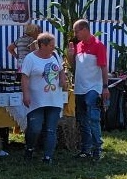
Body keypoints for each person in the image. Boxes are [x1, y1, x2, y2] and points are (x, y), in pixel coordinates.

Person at [20, 32, 68, 164]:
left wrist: (63, 79)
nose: (54, 48)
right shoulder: (30, 58)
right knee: (35, 128)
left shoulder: (55, 55)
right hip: (36, 99)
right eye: (51, 45)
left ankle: (48, 157)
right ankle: (29, 149)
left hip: (54, 99)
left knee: (51, 129)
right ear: (42, 45)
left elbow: (61, 70)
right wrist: (26, 94)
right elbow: (24, 77)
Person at [69, 18, 109, 161]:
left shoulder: (98, 45)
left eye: (77, 31)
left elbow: (104, 67)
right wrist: (70, 56)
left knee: (92, 118)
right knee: (83, 120)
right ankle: (86, 149)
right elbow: (75, 68)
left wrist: (105, 87)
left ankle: (97, 149)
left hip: (93, 87)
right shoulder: (78, 46)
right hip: (80, 88)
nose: (75, 34)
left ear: (85, 30)